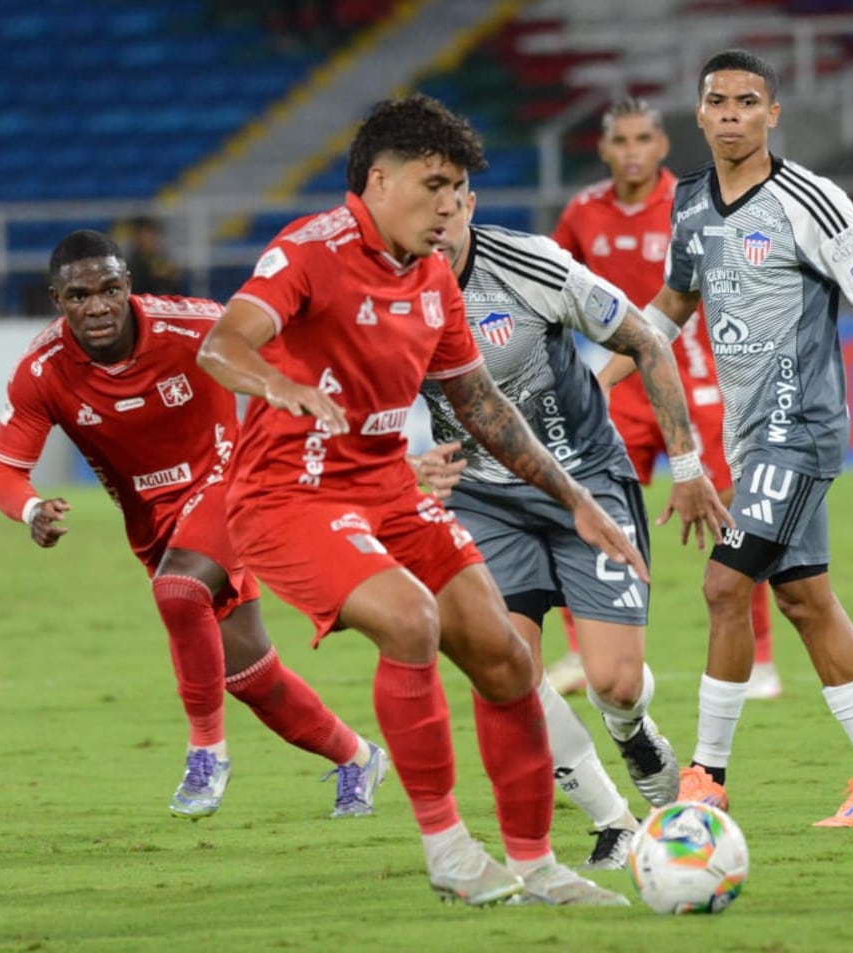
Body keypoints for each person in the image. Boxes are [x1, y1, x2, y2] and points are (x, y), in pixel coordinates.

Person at [196, 93, 635, 906]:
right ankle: (446, 848)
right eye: (434, 184)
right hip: (289, 495)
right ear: (377, 179)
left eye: (458, 187)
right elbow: (221, 344)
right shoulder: (309, 250)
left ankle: (537, 865)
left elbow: (482, 408)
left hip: (385, 489)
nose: (449, 205)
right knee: (411, 620)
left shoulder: (434, 275)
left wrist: (575, 498)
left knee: (505, 653)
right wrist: (280, 383)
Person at [598, 49, 853, 826]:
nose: (733, 113)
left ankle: (703, 778)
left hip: (799, 429)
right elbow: (673, 304)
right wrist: (598, 374)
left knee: (722, 583)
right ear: (699, 113)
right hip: (750, 436)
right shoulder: (693, 203)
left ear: (773, 114)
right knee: (806, 599)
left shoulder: (812, 199)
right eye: (719, 100)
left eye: (749, 101)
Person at [0, 230, 389, 822]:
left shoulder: (197, 326)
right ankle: (357, 757)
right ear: (57, 299)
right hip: (157, 526)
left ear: (129, 288)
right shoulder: (42, 371)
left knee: (178, 590)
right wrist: (30, 509)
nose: (96, 306)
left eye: (109, 290)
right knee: (250, 675)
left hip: (234, 487)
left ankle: (207, 753)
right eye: (79, 295)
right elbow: (4, 470)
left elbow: (291, 352)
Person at [412, 186, 728, 869]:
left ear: (470, 202)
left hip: (587, 481)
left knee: (614, 679)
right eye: (419, 211)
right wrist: (410, 462)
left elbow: (645, 340)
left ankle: (632, 728)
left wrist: (688, 463)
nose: (434, 226)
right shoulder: (380, 293)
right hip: (482, 500)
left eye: (447, 208)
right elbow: (352, 403)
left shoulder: (532, 265)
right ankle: (613, 820)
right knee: (507, 671)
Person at [553, 97, 783, 702]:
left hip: (697, 386)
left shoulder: (692, 203)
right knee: (585, 510)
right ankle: (584, 653)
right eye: (620, 140)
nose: (631, 151)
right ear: (604, 150)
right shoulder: (582, 213)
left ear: (661, 146)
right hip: (617, 393)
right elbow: (550, 295)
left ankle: (758, 657)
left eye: (642, 139)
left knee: (736, 519)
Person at [124, 216, 184, 297]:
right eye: (146, 234)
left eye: (154, 234)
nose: (151, 238)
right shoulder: (130, 264)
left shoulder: (164, 261)